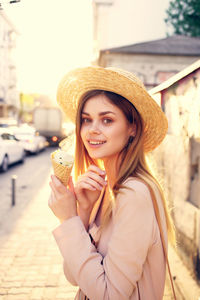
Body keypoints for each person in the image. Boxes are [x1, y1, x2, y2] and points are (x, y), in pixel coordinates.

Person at [48, 66, 175, 300]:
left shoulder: (134, 193)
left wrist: (67, 218)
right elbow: (74, 275)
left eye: (107, 120)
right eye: (87, 120)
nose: (92, 131)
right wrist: (83, 211)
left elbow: (109, 295)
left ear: (132, 129)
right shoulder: (103, 188)